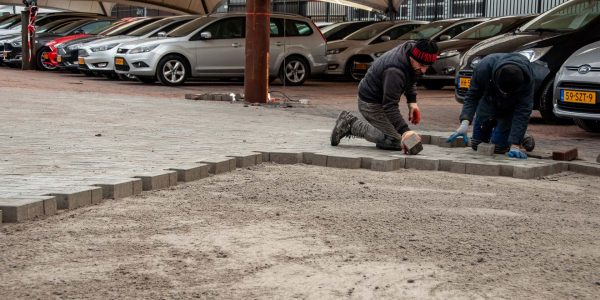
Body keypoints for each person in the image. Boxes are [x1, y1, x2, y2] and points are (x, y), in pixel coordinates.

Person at [330, 39, 439, 152]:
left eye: (427, 66)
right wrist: (405, 131)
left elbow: (411, 76)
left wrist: (412, 103)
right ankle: (351, 124)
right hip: (370, 102)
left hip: (381, 98)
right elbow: (390, 106)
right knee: (395, 141)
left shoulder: (412, 49)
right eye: (422, 65)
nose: (424, 70)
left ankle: (385, 130)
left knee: (400, 137)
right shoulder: (394, 71)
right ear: (413, 57)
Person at [447, 53, 542, 159]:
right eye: (503, 91)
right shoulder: (484, 68)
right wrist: (464, 123)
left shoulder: (527, 79)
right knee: (476, 145)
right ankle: (512, 133)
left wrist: (515, 144)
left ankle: (518, 135)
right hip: (488, 103)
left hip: (509, 110)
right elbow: (472, 96)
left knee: (498, 149)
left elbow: (523, 111)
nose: (505, 94)